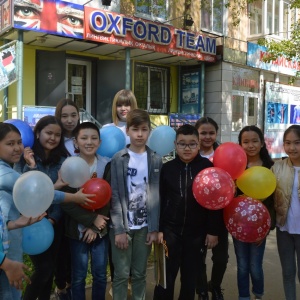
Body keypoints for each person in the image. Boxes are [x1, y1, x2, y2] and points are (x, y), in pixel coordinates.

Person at [14, 116, 94, 300]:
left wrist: (53, 218)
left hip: (53, 222)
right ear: (37, 133)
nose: (53, 138)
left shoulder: (63, 160)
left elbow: (62, 194)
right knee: (44, 268)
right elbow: (25, 190)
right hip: (30, 221)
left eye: (57, 135)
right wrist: (31, 167)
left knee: (50, 270)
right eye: (48, 133)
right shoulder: (25, 158)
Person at [153, 124, 223, 300]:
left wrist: (213, 231)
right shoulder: (167, 169)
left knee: (190, 278)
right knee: (165, 277)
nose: (187, 148)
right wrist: (159, 229)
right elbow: (160, 201)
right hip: (170, 232)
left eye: (192, 144)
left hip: (196, 234)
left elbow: (215, 203)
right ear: (175, 145)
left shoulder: (207, 168)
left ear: (199, 145)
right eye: (182, 144)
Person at [109, 108, 162, 300]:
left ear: (149, 131)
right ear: (128, 131)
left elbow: (157, 196)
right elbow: (115, 196)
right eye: (135, 129)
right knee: (121, 275)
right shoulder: (119, 159)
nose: (140, 134)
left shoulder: (155, 159)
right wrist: (119, 230)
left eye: (144, 129)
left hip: (145, 227)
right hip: (124, 226)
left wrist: (154, 228)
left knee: (140, 274)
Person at [61, 121, 111, 300]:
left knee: (100, 275)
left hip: (100, 230)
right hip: (77, 230)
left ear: (99, 142)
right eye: (84, 138)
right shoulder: (68, 166)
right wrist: (90, 220)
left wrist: (95, 226)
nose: (89, 142)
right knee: (78, 276)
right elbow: (66, 202)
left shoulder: (106, 165)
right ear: (75, 142)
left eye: (93, 138)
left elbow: (109, 198)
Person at [0, 122, 46, 299]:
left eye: (19, 142)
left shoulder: (9, 168)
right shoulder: (3, 173)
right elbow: (32, 189)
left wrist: (12, 224)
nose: (17, 148)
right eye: (10, 143)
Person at [234, 125, 275, 300]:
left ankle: (258, 294)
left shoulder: (271, 167)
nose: (250, 145)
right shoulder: (236, 166)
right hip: (238, 226)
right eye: (246, 142)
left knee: (255, 266)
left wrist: (266, 228)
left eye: (254, 141)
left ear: (262, 143)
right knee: (242, 265)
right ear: (240, 144)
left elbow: (274, 202)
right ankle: (244, 296)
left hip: (260, 227)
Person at [194, 117, 228, 300]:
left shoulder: (224, 156)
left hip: (219, 214)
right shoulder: (189, 154)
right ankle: (201, 290)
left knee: (221, 258)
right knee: (198, 258)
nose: (207, 137)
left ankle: (215, 286)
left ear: (216, 134)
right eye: (203, 133)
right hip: (196, 215)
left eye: (211, 133)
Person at [54, 98, 81, 299]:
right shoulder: (54, 139)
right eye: (64, 116)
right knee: (60, 248)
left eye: (73, 115)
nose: (69, 120)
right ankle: (61, 286)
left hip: (81, 199)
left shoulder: (83, 137)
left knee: (74, 248)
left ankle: (72, 285)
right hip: (59, 200)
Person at [271, 124, 300, 300]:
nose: (291, 147)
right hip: (284, 230)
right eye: (287, 143)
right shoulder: (277, 167)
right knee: (288, 273)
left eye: (297, 143)